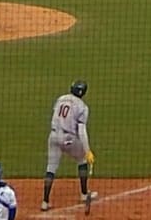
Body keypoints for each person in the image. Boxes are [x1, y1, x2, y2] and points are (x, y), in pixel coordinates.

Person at [41, 80, 97, 211]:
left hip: (54, 136)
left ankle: (45, 201)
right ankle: (84, 194)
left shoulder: (61, 99)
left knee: (51, 168)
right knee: (82, 159)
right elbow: (81, 131)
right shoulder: (82, 107)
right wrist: (87, 150)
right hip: (69, 138)